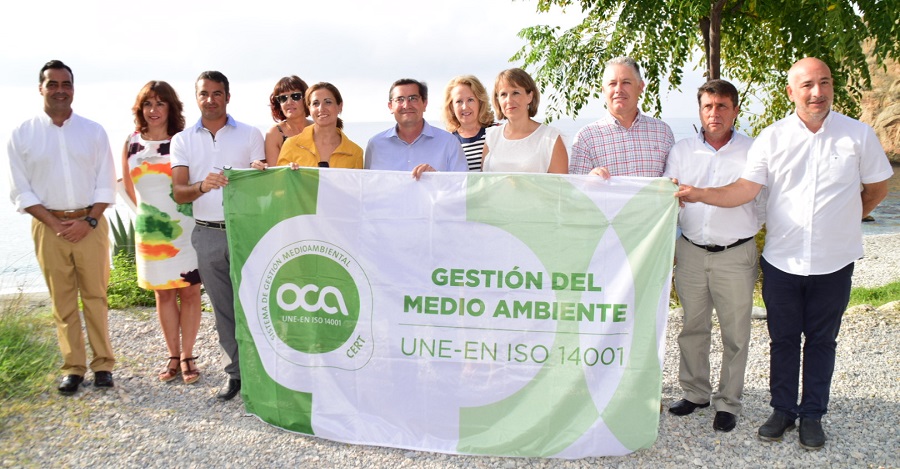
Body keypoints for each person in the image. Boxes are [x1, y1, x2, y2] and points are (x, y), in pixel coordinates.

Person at [675, 58, 892, 450]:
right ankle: (782, 411)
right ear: (791, 92)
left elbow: (877, 186)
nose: (817, 92)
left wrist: (848, 217)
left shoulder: (857, 135)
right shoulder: (772, 138)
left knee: (823, 340)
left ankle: (812, 415)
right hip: (782, 260)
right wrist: (700, 193)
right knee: (784, 339)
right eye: (807, 84)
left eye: (824, 82)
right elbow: (744, 190)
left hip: (835, 260)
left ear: (831, 87)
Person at [7, 60, 116, 395]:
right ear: (40, 88)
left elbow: (106, 182)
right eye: (52, 84)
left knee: (96, 296)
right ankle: (73, 368)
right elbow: (20, 189)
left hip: (91, 224)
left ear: (73, 88)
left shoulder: (93, 131)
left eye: (65, 84)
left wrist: (89, 221)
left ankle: (103, 366)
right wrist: (55, 223)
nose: (59, 90)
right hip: (48, 226)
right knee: (63, 301)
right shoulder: (22, 134)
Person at [663, 79, 762, 432]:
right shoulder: (682, 150)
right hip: (689, 251)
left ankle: (728, 402)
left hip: (735, 254)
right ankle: (695, 392)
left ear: (735, 110)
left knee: (735, 333)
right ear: (700, 110)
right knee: (692, 327)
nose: (714, 113)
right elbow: (666, 197)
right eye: (708, 106)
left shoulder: (754, 151)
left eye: (722, 106)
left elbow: (758, 200)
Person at [171, 71, 265, 401]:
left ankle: (262, 372)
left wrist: (257, 173)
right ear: (196, 98)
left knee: (254, 305)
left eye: (217, 93)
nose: (210, 99)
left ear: (228, 96)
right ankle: (235, 374)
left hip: (246, 233)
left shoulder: (251, 134)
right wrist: (202, 185)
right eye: (204, 93)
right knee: (224, 309)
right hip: (207, 234)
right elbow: (180, 193)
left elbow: (263, 182)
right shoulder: (182, 140)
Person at [121, 81, 203, 385]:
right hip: (151, 231)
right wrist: (148, 218)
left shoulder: (183, 142)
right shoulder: (131, 143)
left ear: (171, 108)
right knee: (164, 294)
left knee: (190, 291)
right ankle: (172, 354)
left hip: (185, 227)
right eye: (148, 104)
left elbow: (192, 182)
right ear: (141, 109)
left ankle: (188, 355)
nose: (153, 110)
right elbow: (129, 188)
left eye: (160, 104)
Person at [569, 56, 675, 178]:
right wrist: (588, 179)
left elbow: (673, 184)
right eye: (612, 83)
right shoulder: (586, 137)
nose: (618, 89)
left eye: (626, 82)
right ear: (603, 90)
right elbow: (576, 191)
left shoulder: (663, 133)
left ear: (640, 87)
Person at [365, 78, 467, 178]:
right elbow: (367, 189)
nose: (406, 105)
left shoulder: (449, 143)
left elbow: (462, 189)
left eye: (413, 98)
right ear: (390, 106)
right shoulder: (375, 145)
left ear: (424, 104)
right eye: (400, 99)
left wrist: (437, 179)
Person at [481, 68, 568, 173]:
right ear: (498, 100)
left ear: (529, 96)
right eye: (503, 94)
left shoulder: (551, 138)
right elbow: (484, 182)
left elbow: (560, 187)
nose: (509, 100)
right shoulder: (492, 136)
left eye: (515, 93)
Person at [276, 82, 363, 169]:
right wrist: (286, 173)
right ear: (309, 108)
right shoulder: (291, 145)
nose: (321, 108)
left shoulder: (355, 153)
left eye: (328, 102)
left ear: (340, 106)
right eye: (315, 103)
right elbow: (279, 181)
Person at [442, 75, 495, 171]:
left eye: (470, 100)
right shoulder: (447, 142)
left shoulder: (497, 132)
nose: (465, 107)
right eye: (459, 101)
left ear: (480, 102)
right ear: (451, 107)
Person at [262, 76, 311, 165]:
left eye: (295, 96)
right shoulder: (274, 133)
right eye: (283, 98)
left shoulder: (319, 128)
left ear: (306, 99)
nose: (289, 102)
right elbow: (275, 173)